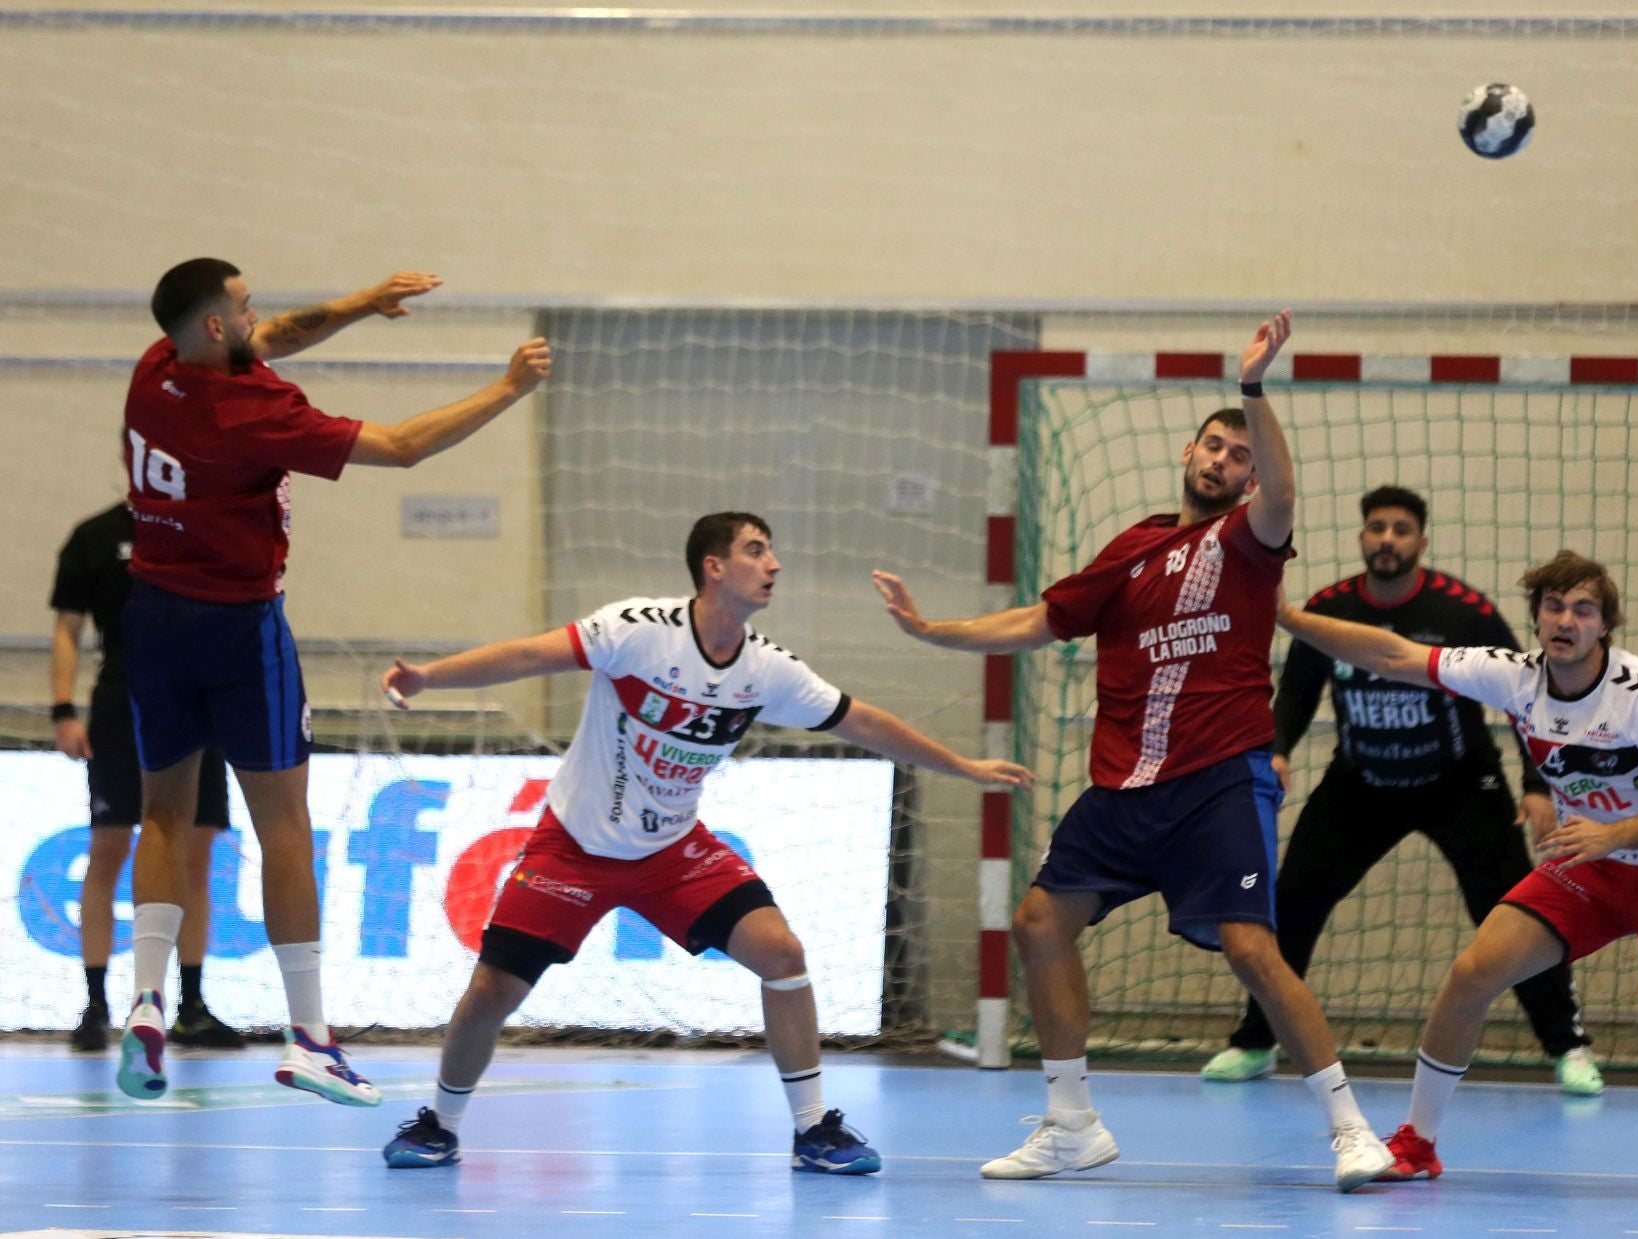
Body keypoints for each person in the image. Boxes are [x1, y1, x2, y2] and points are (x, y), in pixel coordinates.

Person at [872, 314, 1394, 1192]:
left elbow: (1284, 500)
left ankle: (1350, 1128)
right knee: (1040, 922)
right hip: (1122, 786)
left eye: (1241, 455)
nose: (1225, 460)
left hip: (1217, 780)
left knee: (1251, 948)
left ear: (1250, 475)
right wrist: (934, 630)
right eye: (1216, 445)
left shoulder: (1246, 544)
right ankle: (1072, 1122)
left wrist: (1256, 388)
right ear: (1188, 451)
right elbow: (1039, 620)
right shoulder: (1131, 550)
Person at [376, 511, 1034, 1174]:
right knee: (492, 988)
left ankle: (813, 1130)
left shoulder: (766, 668)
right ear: (714, 566)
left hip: (673, 854)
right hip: (573, 847)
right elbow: (525, 655)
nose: (773, 563)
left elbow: (862, 720)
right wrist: (431, 675)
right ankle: (438, 1123)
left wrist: (966, 766)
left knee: (782, 952)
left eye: (772, 550)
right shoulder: (638, 630)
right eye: (756, 550)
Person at [1267, 549, 1638, 1198]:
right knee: (1474, 972)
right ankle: (1418, 1143)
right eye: (1554, 606)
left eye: (1583, 609)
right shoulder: (1514, 676)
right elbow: (1391, 654)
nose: (1566, 619)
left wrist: (1612, 834)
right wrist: (1287, 615)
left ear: (1604, 625)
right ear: (1536, 619)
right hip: (1591, 867)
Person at [117, 258, 551, 1107]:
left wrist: (360, 303)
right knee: (282, 824)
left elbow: (277, 337)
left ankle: (145, 1002)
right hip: (239, 630)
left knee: (162, 810)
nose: (257, 317)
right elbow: (403, 447)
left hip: (153, 615)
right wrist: (505, 389)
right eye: (242, 308)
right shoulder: (256, 412)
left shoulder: (154, 368)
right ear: (214, 326)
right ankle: (310, 1038)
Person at [1202, 486, 1602, 1096]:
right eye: (1377, 528)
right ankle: (1257, 1040)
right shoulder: (1328, 608)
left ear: (1421, 541)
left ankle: (1568, 1047)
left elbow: (1526, 694)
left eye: (1401, 529)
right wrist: (1276, 751)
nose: (1387, 539)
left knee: (1519, 913)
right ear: (1363, 538)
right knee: (1294, 901)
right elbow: (1298, 693)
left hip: (1461, 784)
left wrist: (1536, 785)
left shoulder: (1463, 611)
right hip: (1360, 784)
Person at [51, 501, 244, 1053]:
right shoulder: (95, 534)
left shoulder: (207, 522)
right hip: (121, 703)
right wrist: (62, 709)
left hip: (196, 702)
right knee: (108, 848)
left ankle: (191, 1006)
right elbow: (67, 626)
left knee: (197, 852)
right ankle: (95, 1005)